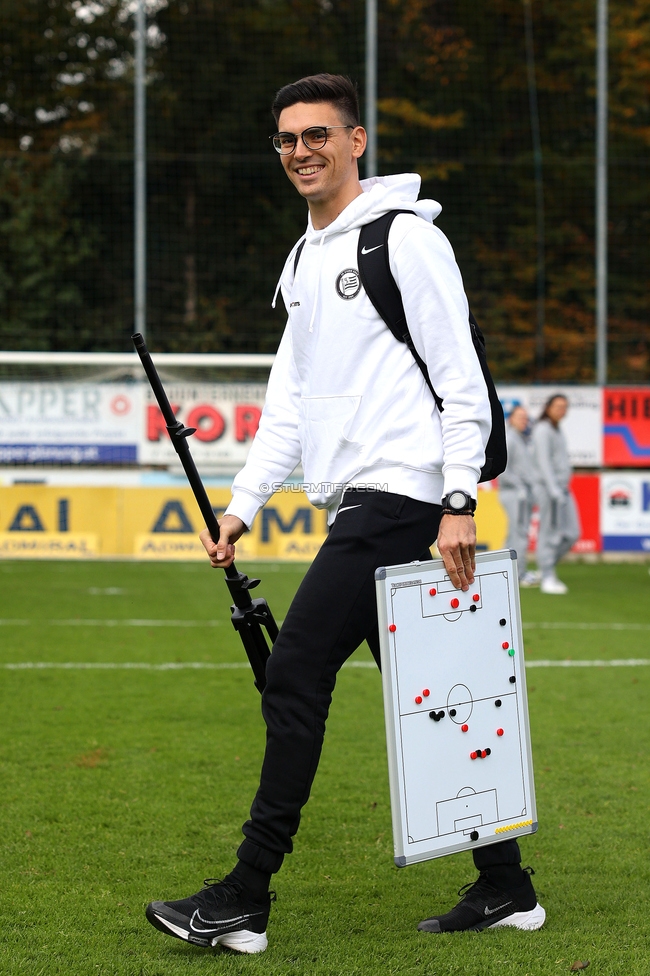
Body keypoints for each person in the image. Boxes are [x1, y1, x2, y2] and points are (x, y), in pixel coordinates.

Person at [145, 73, 545, 954]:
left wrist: (456, 502)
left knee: (293, 670)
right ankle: (506, 886)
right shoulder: (301, 260)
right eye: (287, 139)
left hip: (405, 498)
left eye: (318, 134)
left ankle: (246, 893)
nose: (302, 151)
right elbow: (288, 405)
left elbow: (460, 380)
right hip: (360, 503)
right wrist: (242, 506)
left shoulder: (404, 241)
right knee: (433, 697)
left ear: (357, 140)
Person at [530, 394, 580, 595]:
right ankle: (547, 576)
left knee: (572, 534)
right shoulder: (542, 430)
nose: (562, 410)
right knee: (549, 534)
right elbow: (543, 463)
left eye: (565, 407)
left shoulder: (556, 429)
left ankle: (545, 567)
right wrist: (552, 490)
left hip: (563, 489)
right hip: (549, 490)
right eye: (558, 406)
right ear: (548, 407)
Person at [500, 405, 538, 585]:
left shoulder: (521, 439)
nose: (524, 421)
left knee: (514, 534)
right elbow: (503, 471)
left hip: (520, 493)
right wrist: (520, 486)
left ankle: (503, 573)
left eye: (526, 417)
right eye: (520, 417)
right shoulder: (510, 439)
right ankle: (518, 574)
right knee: (519, 533)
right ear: (511, 419)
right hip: (513, 494)